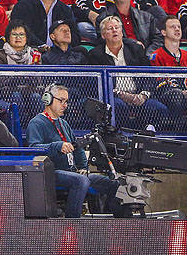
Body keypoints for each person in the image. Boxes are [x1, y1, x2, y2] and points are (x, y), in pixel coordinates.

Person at [27, 84, 121, 217]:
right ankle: (72, 223)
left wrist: (83, 167)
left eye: (66, 101)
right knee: (81, 181)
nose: (65, 105)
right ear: (47, 99)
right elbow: (33, 148)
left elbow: (77, 149)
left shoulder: (63, 123)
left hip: (72, 172)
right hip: (51, 172)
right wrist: (57, 146)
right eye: (61, 100)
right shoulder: (36, 123)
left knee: (113, 183)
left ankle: (114, 221)